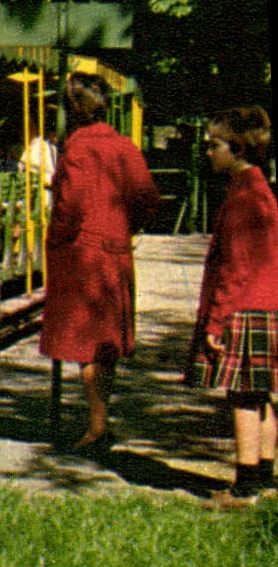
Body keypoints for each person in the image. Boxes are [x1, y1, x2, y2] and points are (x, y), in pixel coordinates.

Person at [39, 72, 161, 449]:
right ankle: (100, 420)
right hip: (115, 253)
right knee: (105, 344)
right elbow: (148, 198)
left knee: (86, 343)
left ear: (72, 108)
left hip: (82, 256)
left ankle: (96, 428)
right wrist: (125, 227)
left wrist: (55, 238)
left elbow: (70, 206)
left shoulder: (77, 148)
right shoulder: (124, 146)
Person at [183, 107, 278, 507]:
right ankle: (264, 474)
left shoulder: (243, 196)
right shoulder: (260, 189)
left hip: (245, 306)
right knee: (263, 395)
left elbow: (236, 268)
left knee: (243, 396)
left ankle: (242, 488)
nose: (208, 152)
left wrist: (215, 323)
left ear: (237, 149)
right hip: (268, 304)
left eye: (214, 146)